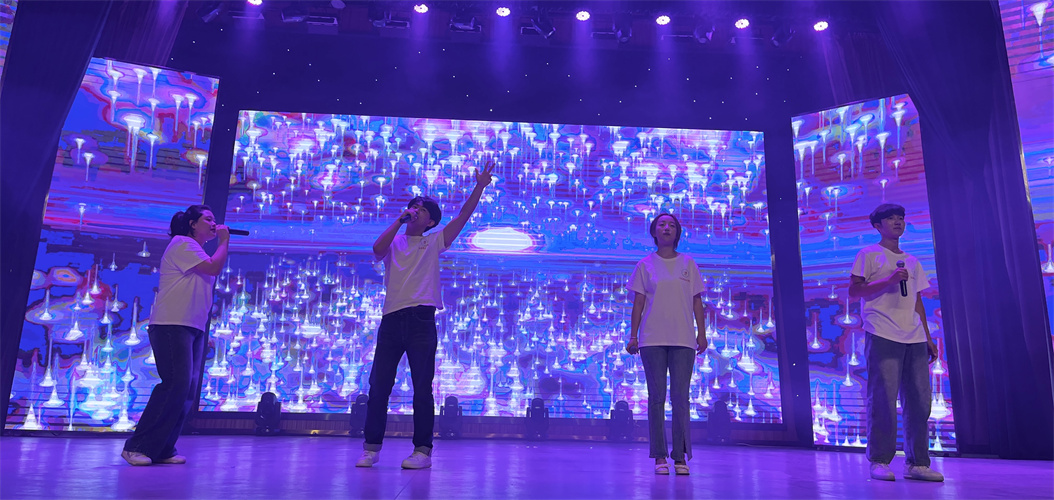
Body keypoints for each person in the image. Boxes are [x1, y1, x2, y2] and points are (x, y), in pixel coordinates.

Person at [356, 161, 495, 470]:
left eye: (421, 209)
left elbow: (463, 216)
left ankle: (422, 450)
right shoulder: (394, 240)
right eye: (413, 206)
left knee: (422, 387)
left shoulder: (433, 241)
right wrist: (399, 220)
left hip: (421, 319)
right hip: (392, 319)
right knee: (379, 386)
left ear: (430, 221)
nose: (415, 210)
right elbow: (377, 249)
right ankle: (371, 448)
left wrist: (479, 186)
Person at [121, 205, 229, 466]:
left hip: (191, 326)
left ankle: (162, 447)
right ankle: (136, 446)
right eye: (208, 219)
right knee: (174, 385)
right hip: (172, 324)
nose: (213, 223)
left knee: (186, 391)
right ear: (192, 223)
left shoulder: (195, 250)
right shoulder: (183, 243)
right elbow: (214, 267)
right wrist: (224, 241)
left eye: (214, 220)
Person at [849, 203, 944, 482]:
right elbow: (854, 291)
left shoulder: (912, 261)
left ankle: (917, 463)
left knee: (919, 401)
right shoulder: (868, 254)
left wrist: (927, 337)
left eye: (900, 218)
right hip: (882, 331)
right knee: (883, 399)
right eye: (890, 218)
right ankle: (879, 460)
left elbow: (917, 299)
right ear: (877, 226)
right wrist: (889, 280)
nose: (897, 222)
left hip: (914, 335)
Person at [626, 212, 708, 476]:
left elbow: (697, 301)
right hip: (652, 339)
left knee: (681, 398)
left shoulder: (688, 263)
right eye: (661, 224)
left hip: (683, 339)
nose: (666, 228)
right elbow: (638, 303)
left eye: (672, 225)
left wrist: (702, 334)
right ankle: (659, 456)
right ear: (654, 231)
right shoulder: (645, 265)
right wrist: (633, 335)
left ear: (677, 233)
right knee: (656, 398)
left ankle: (680, 457)